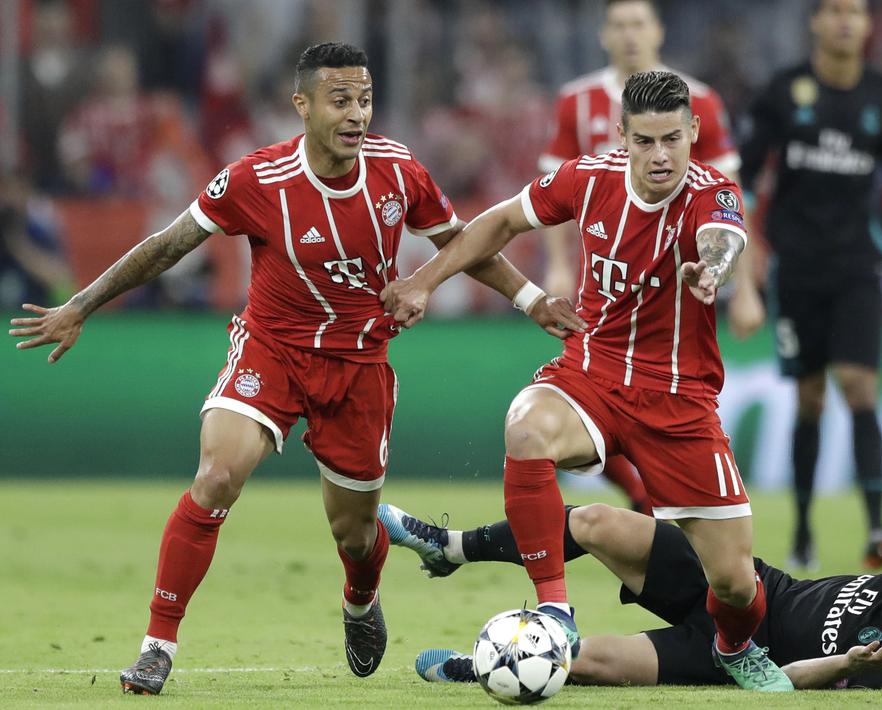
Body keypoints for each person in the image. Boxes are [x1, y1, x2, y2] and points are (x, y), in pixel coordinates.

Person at [8, 42, 578, 696]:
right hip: (271, 351)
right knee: (217, 475)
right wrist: (80, 305)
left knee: (355, 535)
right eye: (340, 100)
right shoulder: (256, 180)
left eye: (364, 99)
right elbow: (168, 245)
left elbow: (464, 242)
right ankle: (157, 646)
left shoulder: (398, 171)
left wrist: (531, 298)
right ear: (302, 105)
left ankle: (360, 600)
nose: (356, 113)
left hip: (358, 367)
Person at [381, 70, 790, 691]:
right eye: (645, 141)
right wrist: (423, 281)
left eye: (672, 139)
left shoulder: (714, 192)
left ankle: (734, 647)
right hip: (592, 372)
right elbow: (499, 222)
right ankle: (555, 610)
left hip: (679, 400)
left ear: (693, 132)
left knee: (735, 583)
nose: (660, 155)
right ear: (621, 135)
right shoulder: (588, 177)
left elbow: (723, 240)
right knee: (527, 428)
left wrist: (710, 270)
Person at [386, 394, 882, 690]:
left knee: (581, 662)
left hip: (737, 656)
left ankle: (482, 666)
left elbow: (784, 683)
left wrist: (847, 665)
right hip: (746, 587)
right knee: (594, 521)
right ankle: (451, 547)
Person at [538, 0, 764, 516]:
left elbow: (730, 197)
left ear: (658, 31)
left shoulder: (699, 100)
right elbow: (552, 191)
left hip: (678, 287)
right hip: (604, 282)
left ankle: (665, 499)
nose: (629, 35)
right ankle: (639, 499)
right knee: (587, 390)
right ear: (604, 34)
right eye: (619, 25)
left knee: (653, 394)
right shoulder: (575, 101)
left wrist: (744, 287)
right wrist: (557, 265)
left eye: (638, 23)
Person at [739, 0, 882, 571]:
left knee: (859, 386)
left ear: (868, 24)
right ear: (815, 21)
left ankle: (878, 527)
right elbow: (743, 180)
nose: (845, 21)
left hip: (857, 267)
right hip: (796, 267)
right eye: (835, 10)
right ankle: (801, 529)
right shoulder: (782, 92)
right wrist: (749, 251)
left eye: (855, 12)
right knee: (810, 396)